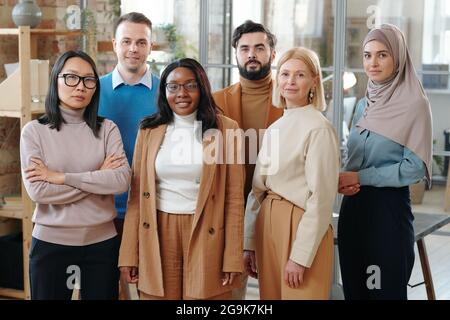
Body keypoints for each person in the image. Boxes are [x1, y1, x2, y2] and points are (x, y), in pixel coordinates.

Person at [118, 58, 245, 300]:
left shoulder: (227, 130)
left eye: (190, 85)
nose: (181, 93)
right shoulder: (148, 130)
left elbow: (234, 199)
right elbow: (136, 197)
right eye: (173, 86)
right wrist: (129, 254)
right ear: (164, 90)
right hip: (157, 232)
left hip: (207, 232)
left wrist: (232, 257)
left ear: (202, 88)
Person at [20, 50, 131, 300]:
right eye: (71, 77)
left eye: (88, 80)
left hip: (102, 245)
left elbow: (122, 180)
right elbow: (39, 191)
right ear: (55, 80)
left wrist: (62, 177)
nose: (80, 86)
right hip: (51, 245)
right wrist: (98, 176)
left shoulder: (107, 129)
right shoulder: (34, 132)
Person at [338, 24, 433, 300]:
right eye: (367, 55)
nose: (372, 63)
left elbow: (414, 167)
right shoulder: (363, 104)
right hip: (354, 210)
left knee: (382, 292)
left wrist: (361, 178)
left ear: (398, 58)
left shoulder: (415, 104)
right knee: (356, 292)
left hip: (386, 214)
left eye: (382, 55)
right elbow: (353, 158)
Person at [244, 47, 340, 299]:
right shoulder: (276, 127)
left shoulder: (319, 128)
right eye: (285, 74)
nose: (290, 81)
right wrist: (249, 243)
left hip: (301, 228)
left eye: (300, 75)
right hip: (268, 227)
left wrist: (300, 257)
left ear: (314, 81)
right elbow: (257, 191)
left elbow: (321, 200)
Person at [213, 19, 283, 300]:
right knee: (230, 294)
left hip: (276, 210)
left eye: (259, 47)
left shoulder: (290, 98)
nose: (251, 54)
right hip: (230, 213)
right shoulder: (216, 101)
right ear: (236, 54)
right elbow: (209, 162)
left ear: (272, 54)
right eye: (244, 48)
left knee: (277, 290)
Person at [98, 12, 159, 299]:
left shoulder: (168, 92)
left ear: (151, 45)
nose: (133, 48)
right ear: (114, 44)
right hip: (102, 209)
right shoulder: (92, 90)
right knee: (107, 289)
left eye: (141, 42)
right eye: (126, 41)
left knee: (152, 288)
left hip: (153, 208)